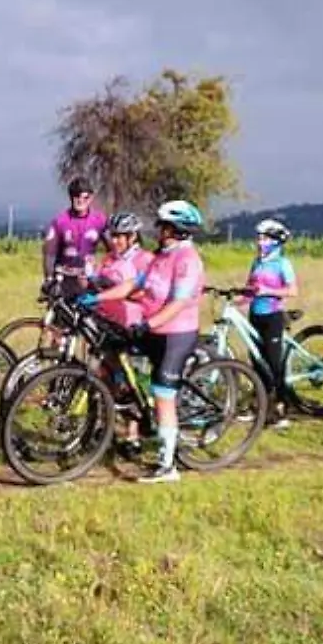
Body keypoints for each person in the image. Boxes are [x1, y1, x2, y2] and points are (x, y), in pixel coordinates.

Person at [130, 200, 207, 484]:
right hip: (156, 330)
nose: (158, 230)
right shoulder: (160, 256)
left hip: (177, 333)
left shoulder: (188, 260)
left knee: (163, 395)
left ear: (177, 229)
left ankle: (167, 466)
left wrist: (148, 324)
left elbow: (177, 303)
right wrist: (98, 295)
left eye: (163, 226)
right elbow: (136, 286)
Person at [91, 211, 156, 456]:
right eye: (113, 236)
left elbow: (147, 292)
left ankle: (132, 435)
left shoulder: (145, 260)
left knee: (134, 380)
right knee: (105, 376)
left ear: (132, 237)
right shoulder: (109, 259)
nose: (115, 241)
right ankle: (104, 427)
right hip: (107, 324)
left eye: (120, 236)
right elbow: (97, 282)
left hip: (133, 324)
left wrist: (122, 292)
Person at [243, 218, 300, 428]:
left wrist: (269, 292)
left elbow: (293, 291)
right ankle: (259, 403)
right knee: (256, 361)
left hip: (272, 316)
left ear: (276, 241)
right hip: (255, 314)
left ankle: (282, 407)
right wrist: (236, 298)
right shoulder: (257, 261)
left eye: (265, 238)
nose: (259, 242)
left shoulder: (282, 264)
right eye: (258, 237)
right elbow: (250, 287)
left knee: (273, 363)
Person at [42, 178, 105, 298]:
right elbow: (49, 253)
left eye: (85, 197)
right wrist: (49, 278)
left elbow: (114, 248)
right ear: (70, 197)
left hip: (88, 279)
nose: (81, 200)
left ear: (91, 198)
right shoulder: (60, 221)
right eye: (76, 196)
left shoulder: (100, 220)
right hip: (63, 278)